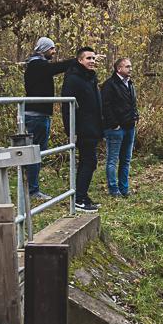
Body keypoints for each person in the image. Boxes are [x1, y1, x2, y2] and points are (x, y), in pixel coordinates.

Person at [22, 37, 75, 200]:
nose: (54, 51)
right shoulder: (37, 65)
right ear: (43, 49)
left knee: (36, 152)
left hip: (38, 114)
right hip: (36, 115)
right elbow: (57, 67)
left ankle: (31, 187)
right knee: (35, 152)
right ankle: (32, 190)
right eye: (51, 49)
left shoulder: (37, 65)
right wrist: (77, 60)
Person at [60, 47, 104, 212]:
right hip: (82, 129)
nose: (92, 61)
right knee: (89, 162)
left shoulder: (90, 78)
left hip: (93, 128)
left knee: (89, 162)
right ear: (80, 60)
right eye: (88, 58)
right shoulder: (73, 79)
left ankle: (82, 195)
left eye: (93, 58)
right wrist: (72, 131)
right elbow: (67, 107)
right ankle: (79, 199)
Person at [101, 57, 138, 198]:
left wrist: (135, 117)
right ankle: (113, 189)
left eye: (130, 66)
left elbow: (132, 104)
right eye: (127, 66)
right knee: (113, 160)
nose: (130, 69)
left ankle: (124, 189)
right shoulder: (109, 85)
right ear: (119, 69)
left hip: (130, 127)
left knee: (126, 160)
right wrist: (114, 124)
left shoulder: (130, 83)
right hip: (115, 129)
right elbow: (105, 106)